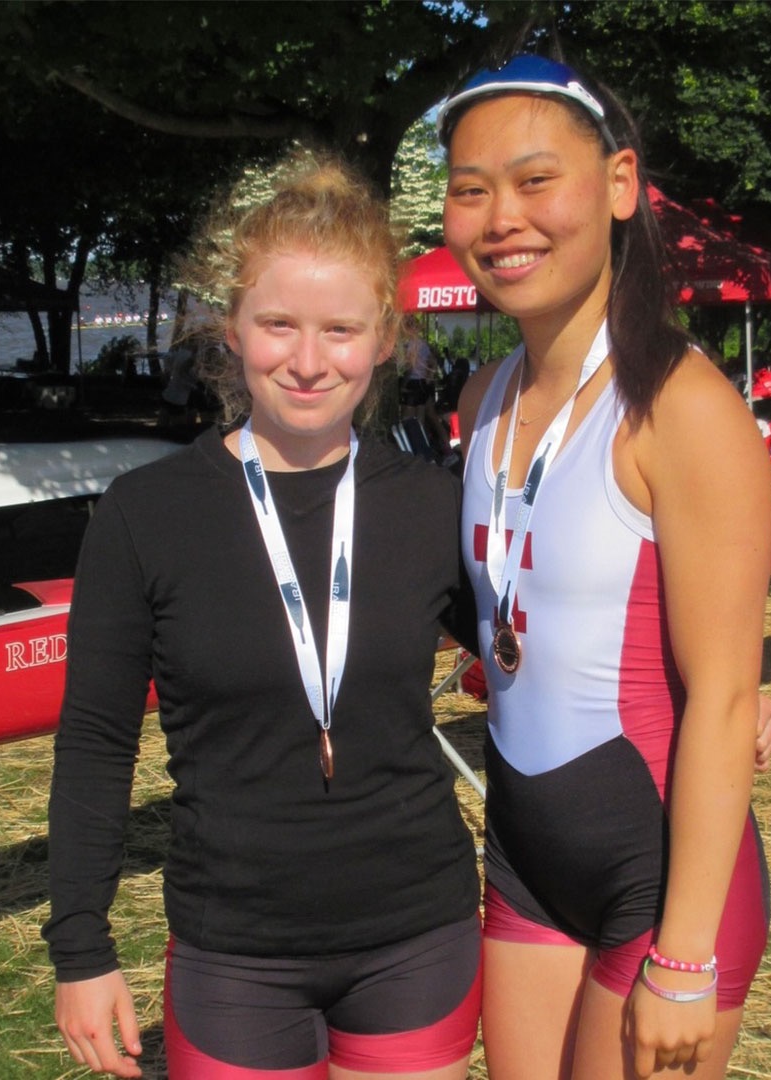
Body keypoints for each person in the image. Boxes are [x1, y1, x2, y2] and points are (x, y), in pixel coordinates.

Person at [46, 154, 484, 1079]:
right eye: (278, 323)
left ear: (384, 335)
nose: (310, 361)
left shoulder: (430, 505)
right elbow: (94, 740)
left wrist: (710, 685)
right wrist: (81, 950)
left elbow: (539, 660)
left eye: (340, 329)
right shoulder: (145, 513)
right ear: (232, 329)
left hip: (418, 933)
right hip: (233, 945)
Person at [441, 55, 771, 1080]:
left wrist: (683, 959)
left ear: (620, 185)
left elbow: (724, 695)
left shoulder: (683, 404)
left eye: (537, 180)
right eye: (471, 189)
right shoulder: (485, 393)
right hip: (527, 863)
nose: (504, 217)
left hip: (660, 881)